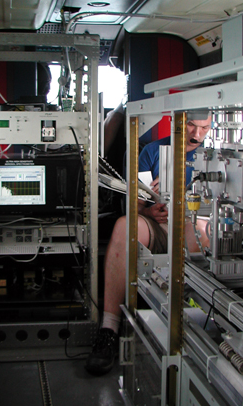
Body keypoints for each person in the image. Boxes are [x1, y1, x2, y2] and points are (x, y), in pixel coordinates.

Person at [85, 114, 212, 375]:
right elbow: (137, 205)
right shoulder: (153, 152)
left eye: (204, 128)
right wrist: (149, 213)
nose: (197, 135)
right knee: (124, 225)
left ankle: (202, 324)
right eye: (192, 126)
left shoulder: (218, 157)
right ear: (179, 121)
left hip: (196, 228)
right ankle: (109, 327)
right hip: (161, 226)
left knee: (197, 227)